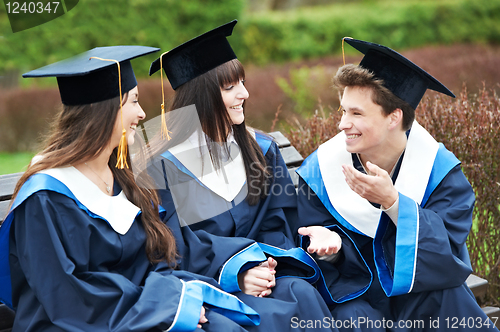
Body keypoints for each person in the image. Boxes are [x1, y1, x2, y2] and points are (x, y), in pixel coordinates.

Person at [0, 46, 260, 331]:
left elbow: (157, 256)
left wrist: (180, 297)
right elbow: (67, 295)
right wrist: (166, 308)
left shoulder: (122, 178)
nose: (142, 113)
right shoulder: (46, 198)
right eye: (133, 102)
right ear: (106, 110)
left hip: (136, 312)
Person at [295, 38, 500, 331]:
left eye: (356, 113)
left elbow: (447, 259)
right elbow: (307, 244)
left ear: (394, 117)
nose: (342, 124)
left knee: (448, 299)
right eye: (343, 111)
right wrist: (335, 250)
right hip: (358, 295)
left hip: (420, 291)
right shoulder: (322, 170)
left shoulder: (440, 174)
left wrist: (395, 205)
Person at [144, 20, 336, 331]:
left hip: (267, 274)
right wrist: (237, 272)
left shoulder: (261, 150)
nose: (245, 93)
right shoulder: (163, 169)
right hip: (208, 286)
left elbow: (278, 223)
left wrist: (267, 264)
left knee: (301, 293)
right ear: (201, 96)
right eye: (230, 86)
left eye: (242, 82)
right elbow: (171, 250)